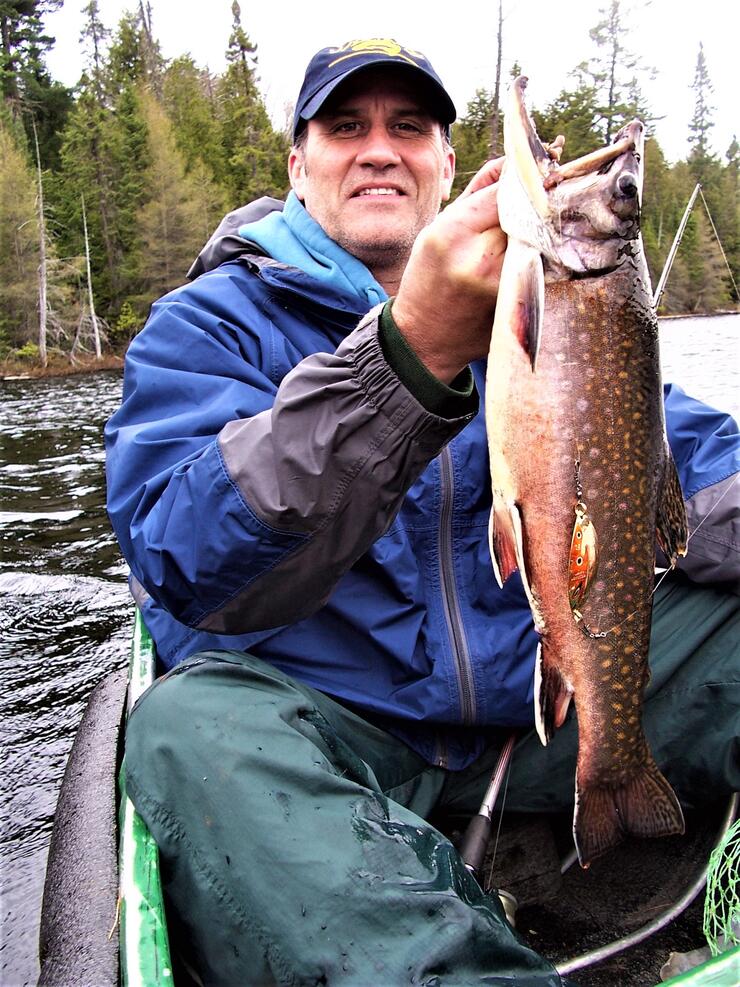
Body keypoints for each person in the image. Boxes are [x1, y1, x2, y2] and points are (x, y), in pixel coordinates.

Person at [105, 39, 739, 986]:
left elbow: (686, 458)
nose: (378, 149)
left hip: (539, 704)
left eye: (410, 128)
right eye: (346, 127)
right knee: (185, 734)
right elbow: (180, 554)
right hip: (332, 723)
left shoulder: (544, 300)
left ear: (446, 164)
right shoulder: (209, 324)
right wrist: (410, 353)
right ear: (298, 164)